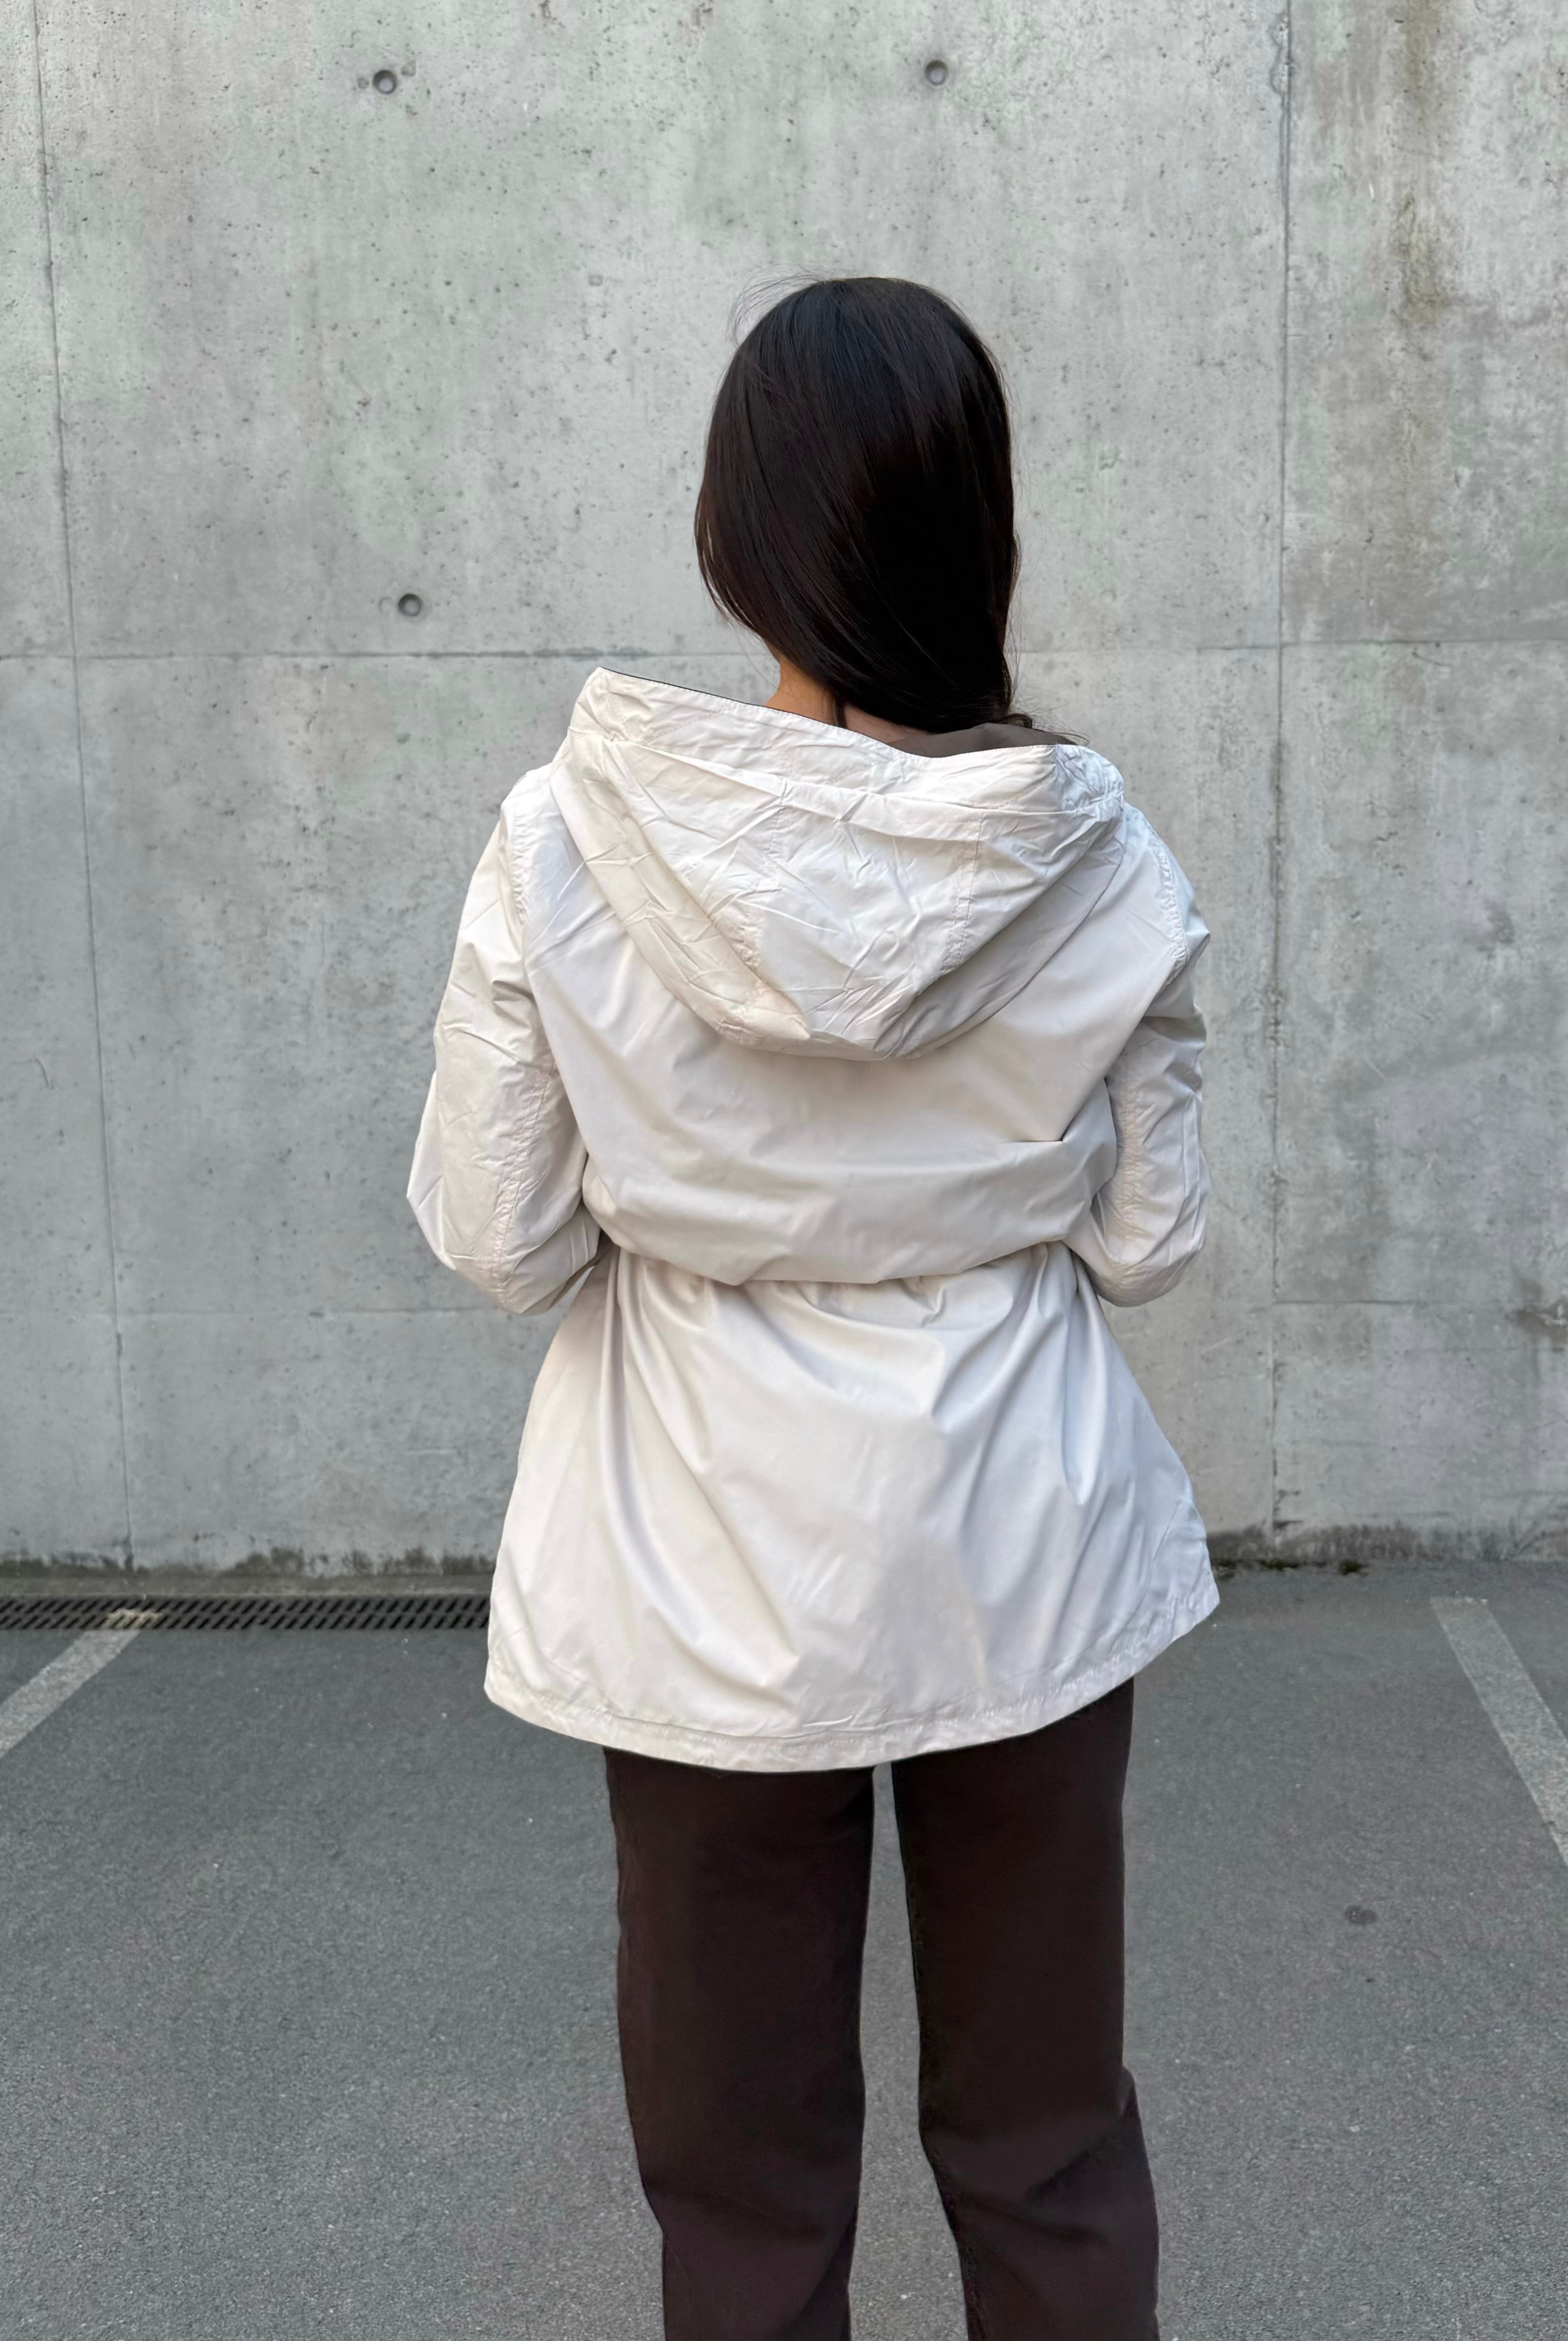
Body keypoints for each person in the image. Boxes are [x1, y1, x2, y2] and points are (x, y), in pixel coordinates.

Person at [408, 276, 1215, 2341]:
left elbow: (501, 1236)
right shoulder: (1095, 849)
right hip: (1023, 1551)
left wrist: (703, 1206)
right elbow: (1148, 1239)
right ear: (981, 530)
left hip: (701, 1564)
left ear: (730, 536)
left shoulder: (565, 840)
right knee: (1047, 2152)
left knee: (743, 2192)